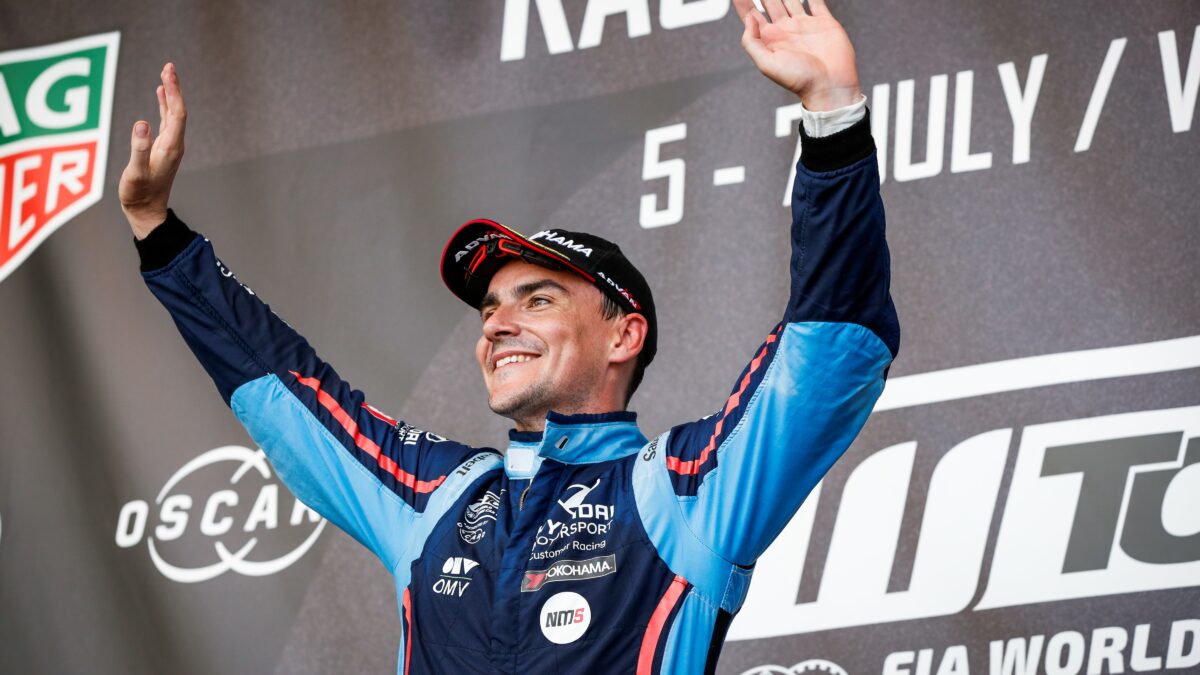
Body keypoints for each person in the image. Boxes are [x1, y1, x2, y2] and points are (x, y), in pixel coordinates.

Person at [119, 0, 898, 672]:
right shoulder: (436, 498)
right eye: (489, 307)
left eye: (538, 298)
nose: (497, 322)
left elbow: (831, 352)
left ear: (623, 334)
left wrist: (832, 115)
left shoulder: (683, 494)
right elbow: (284, 389)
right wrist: (160, 235)